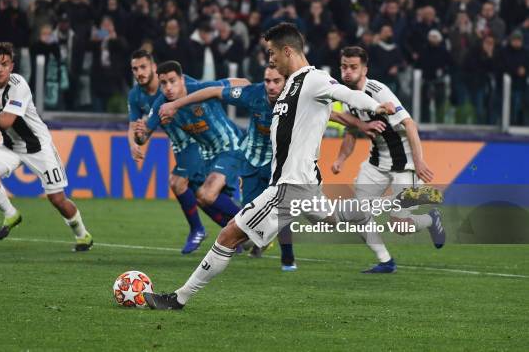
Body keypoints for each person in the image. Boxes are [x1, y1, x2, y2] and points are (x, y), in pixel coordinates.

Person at [143, 23, 426, 310]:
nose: (270, 59)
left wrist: (376, 108)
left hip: (289, 186)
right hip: (304, 184)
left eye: (272, 53)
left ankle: (178, 298)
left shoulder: (314, 79)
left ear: (287, 50)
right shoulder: (289, 85)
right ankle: (391, 204)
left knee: (230, 234)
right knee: (336, 219)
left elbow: (346, 94)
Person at [159, 65, 387, 271]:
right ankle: (252, 242)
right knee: (247, 215)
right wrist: (177, 104)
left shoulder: (296, 98)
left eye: (276, 81)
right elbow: (213, 92)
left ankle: (287, 257)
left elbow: (334, 114)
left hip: (280, 163)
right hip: (251, 162)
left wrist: (362, 124)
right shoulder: (252, 94)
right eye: (267, 80)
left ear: (285, 81)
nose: (270, 85)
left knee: (283, 210)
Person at [0, 42, 93, 251]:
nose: (0, 68)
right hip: (11, 145)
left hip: (37, 146)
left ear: (12, 66)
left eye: (5, 64)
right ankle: (11, 215)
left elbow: (7, 121)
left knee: (57, 199)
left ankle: (83, 235)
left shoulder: (19, 86)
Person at [331, 46, 445, 273]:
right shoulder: (346, 96)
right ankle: (385, 261)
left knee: (399, 225)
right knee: (358, 213)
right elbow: (352, 131)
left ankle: (431, 219)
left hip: (404, 163)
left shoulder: (377, 90)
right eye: (344, 66)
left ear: (365, 69)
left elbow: (409, 124)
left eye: (353, 67)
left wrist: (419, 162)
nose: (347, 72)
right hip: (377, 162)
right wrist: (341, 159)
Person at [134, 61, 249, 237]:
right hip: (208, 156)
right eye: (163, 83)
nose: (168, 88)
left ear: (182, 79)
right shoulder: (162, 105)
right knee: (202, 197)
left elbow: (244, 83)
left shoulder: (200, 88)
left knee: (207, 195)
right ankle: (249, 231)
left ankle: (253, 226)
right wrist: (138, 134)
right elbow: (142, 137)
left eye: (173, 81)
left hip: (229, 147)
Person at [127, 50, 210, 254]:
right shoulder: (135, 95)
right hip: (179, 146)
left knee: (179, 183)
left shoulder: (175, 84)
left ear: (154, 68)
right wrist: (134, 142)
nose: (139, 72)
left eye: (143, 67)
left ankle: (200, 229)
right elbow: (136, 126)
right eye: (135, 69)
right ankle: (241, 232)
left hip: (195, 140)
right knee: (203, 194)